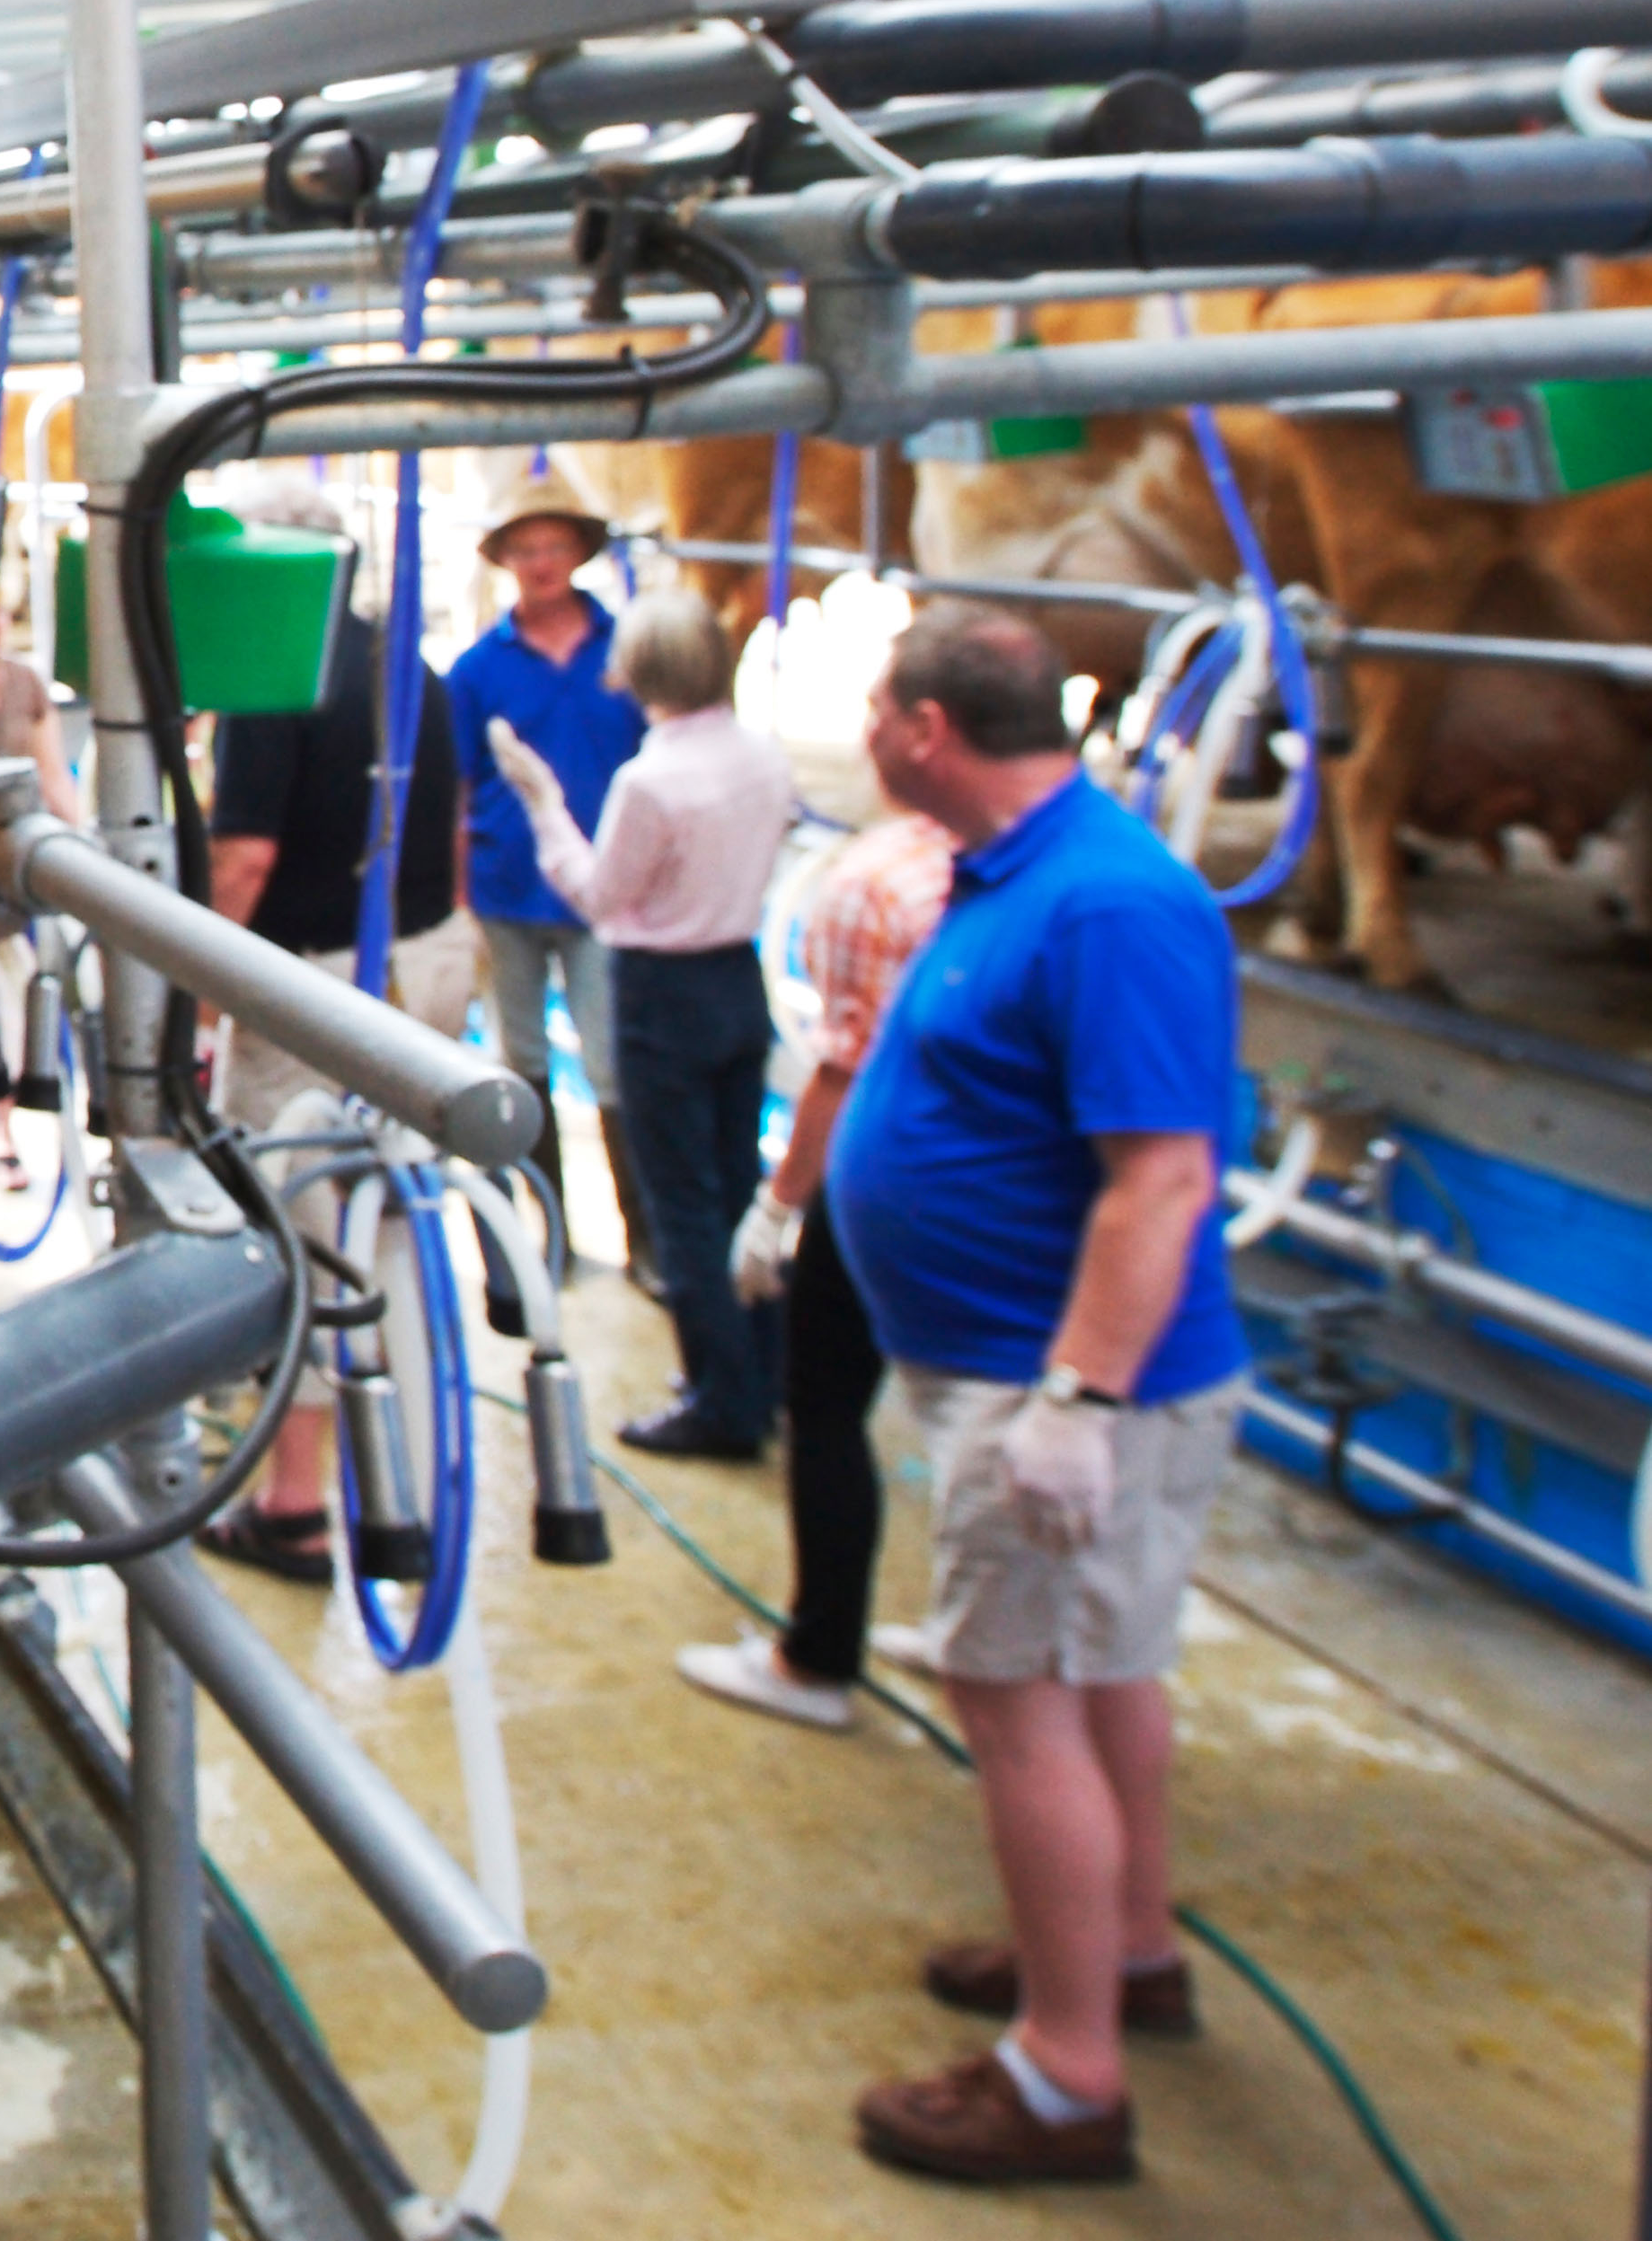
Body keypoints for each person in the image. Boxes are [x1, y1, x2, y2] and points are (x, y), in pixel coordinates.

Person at [823, 604, 1249, 2188]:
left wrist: (1075, 1397)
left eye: (877, 709)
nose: (867, 734)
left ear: (927, 728)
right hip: (1025, 1366)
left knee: (1016, 1701)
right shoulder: (1022, 868)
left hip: (1064, 1387)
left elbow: (1164, 1179)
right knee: (1101, 1672)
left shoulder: (1113, 905)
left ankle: (1067, 2076)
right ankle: (1122, 1950)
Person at [190, 477, 469, 1582]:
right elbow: (448, 831)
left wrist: (194, 1000)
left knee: (301, 1228)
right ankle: (393, 1474)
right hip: (420, 965)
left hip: (313, 993)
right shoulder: (416, 671)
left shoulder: (274, 676)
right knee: (389, 1218)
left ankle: (294, 1503)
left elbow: (243, 859)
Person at [485, 585, 799, 1460]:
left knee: (681, 1205)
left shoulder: (651, 780)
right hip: (736, 977)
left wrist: (542, 803)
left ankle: (720, 1399)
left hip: (663, 990)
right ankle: (758, 1373)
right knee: (738, 1185)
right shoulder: (762, 758)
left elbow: (594, 894)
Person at [676, 801, 957, 1726]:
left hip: (895, 1175)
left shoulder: (878, 880)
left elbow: (844, 1069)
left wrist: (777, 1203)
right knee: (970, 1417)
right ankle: (967, 1633)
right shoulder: (1026, 870)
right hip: (995, 1187)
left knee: (828, 1406)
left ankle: (817, 1657)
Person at [445, 472, 650, 1257]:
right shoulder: (475, 669)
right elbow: (459, 788)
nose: (540, 562)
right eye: (525, 548)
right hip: (509, 889)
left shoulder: (625, 649)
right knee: (520, 1058)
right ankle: (549, 1236)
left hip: (607, 890)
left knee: (609, 1065)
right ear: (505, 559)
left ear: (577, 551)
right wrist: (461, 891)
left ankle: (643, 1242)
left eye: (553, 545)